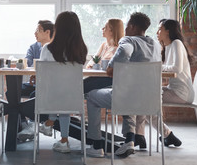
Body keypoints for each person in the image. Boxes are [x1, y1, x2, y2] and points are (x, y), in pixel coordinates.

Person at [85, 12, 161, 158]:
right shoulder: (155, 45)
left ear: (132, 27)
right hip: (151, 100)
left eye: (127, 26)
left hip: (127, 99)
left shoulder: (128, 40)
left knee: (92, 96)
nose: (125, 30)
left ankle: (96, 145)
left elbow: (123, 53)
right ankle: (129, 139)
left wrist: (113, 66)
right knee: (130, 92)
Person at [136, 19, 194, 147]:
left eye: (160, 29)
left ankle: (144, 135)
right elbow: (167, 69)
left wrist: (156, 67)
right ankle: (163, 135)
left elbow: (176, 68)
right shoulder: (167, 47)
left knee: (144, 100)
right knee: (144, 99)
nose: (157, 32)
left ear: (168, 31)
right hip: (174, 90)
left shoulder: (176, 43)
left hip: (182, 93)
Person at [38, 11, 88, 153]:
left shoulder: (48, 48)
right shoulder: (81, 50)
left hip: (50, 96)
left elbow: (42, 75)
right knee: (64, 100)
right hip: (73, 97)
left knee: (52, 93)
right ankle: (64, 141)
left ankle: (49, 122)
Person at [17, 20, 54, 142]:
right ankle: (25, 125)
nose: (35, 33)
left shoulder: (56, 49)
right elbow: (26, 63)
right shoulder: (33, 47)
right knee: (14, 92)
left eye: (38, 30)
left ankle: (32, 125)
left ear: (47, 32)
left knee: (35, 95)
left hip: (49, 86)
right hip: (36, 83)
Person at [84, 19, 124, 94]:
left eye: (105, 27)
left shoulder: (119, 48)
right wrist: (93, 64)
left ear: (112, 31)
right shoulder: (103, 45)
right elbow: (90, 63)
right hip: (98, 77)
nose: (102, 29)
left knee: (82, 87)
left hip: (109, 80)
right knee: (80, 85)